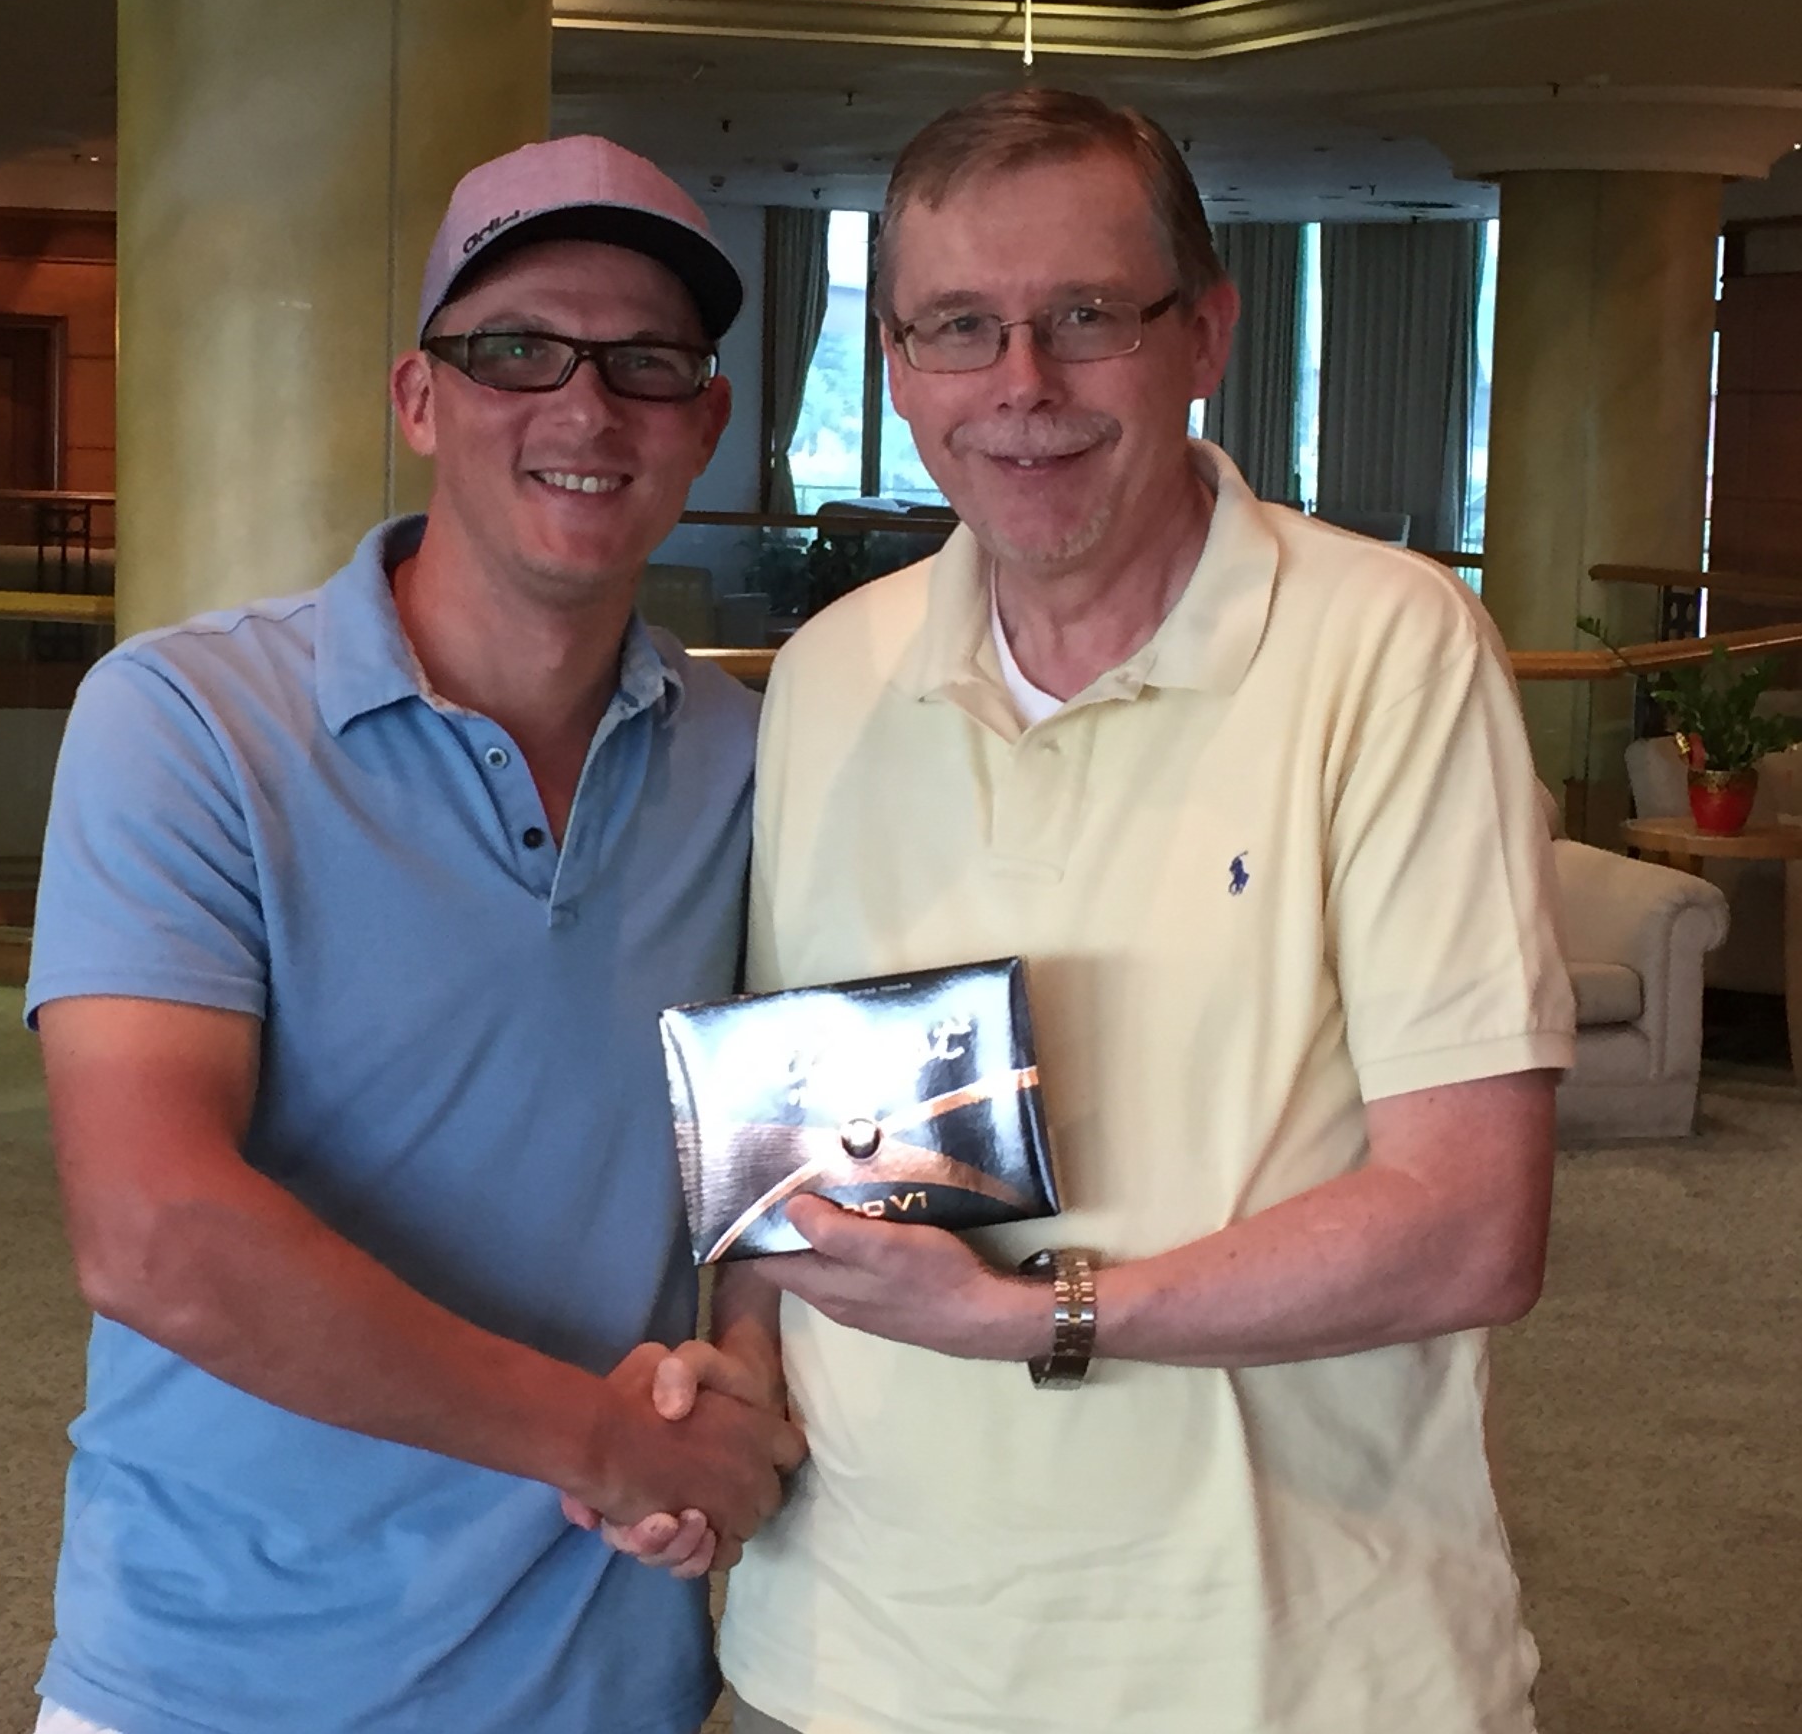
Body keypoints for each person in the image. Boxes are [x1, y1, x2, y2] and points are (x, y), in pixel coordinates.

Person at [659, 88, 1577, 1732]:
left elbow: (1467, 1223)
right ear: (895, 366)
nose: (1020, 384)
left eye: (1084, 315)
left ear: (1203, 333)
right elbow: (802, 1155)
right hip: (856, 1657)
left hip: (1281, 1672)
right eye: (958, 326)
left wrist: (1031, 1318)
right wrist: (735, 1372)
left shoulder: (1388, 645)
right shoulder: (831, 673)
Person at [23, 134, 803, 1734]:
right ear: (419, 398)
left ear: (706, 420)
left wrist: (739, 1379)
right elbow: (154, 1229)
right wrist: (598, 1438)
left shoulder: (754, 759)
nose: (584, 409)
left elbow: (778, 1150)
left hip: (603, 1678)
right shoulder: (186, 721)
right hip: (221, 1680)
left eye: (645, 363)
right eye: (514, 350)